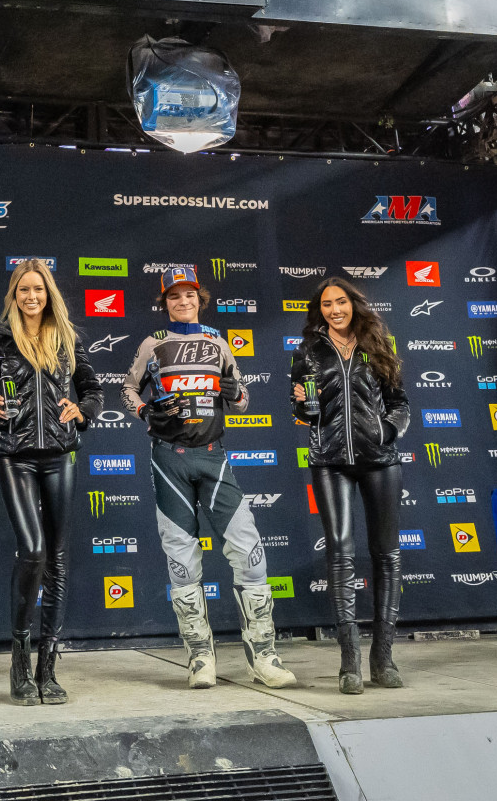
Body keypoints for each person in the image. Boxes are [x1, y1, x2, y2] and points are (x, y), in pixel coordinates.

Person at [127, 266, 297, 691]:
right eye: (173, 297)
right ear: (164, 302)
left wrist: (231, 389)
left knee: (249, 550)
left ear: (200, 299)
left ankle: (264, 656)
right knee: (182, 562)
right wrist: (146, 412)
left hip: (212, 456)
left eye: (188, 295)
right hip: (169, 460)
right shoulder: (154, 343)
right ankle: (200, 657)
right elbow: (128, 389)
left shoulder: (218, 342)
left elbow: (241, 402)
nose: (181, 302)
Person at [0, 259, 99, 706]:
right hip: (15, 456)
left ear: (49, 294)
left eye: (39, 289)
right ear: (14, 294)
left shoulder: (67, 338)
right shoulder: (0, 340)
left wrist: (83, 411)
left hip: (61, 456)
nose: (32, 297)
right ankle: (19, 659)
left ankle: (48, 667)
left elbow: (93, 388)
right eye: (24, 289)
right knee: (33, 551)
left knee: (59, 561)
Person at [291, 276, 409, 694]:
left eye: (340, 302)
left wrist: (387, 432)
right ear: (319, 310)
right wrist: (304, 408)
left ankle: (384, 658)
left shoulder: (379, 343)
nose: (334, 310)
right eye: (326, 305)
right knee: (340, 553)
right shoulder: (307, 350)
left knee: (386, 554)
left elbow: (399, 402)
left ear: (353, 304)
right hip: (329, 461)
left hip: (380, 461)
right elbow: (300, 407)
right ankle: (349, 663)